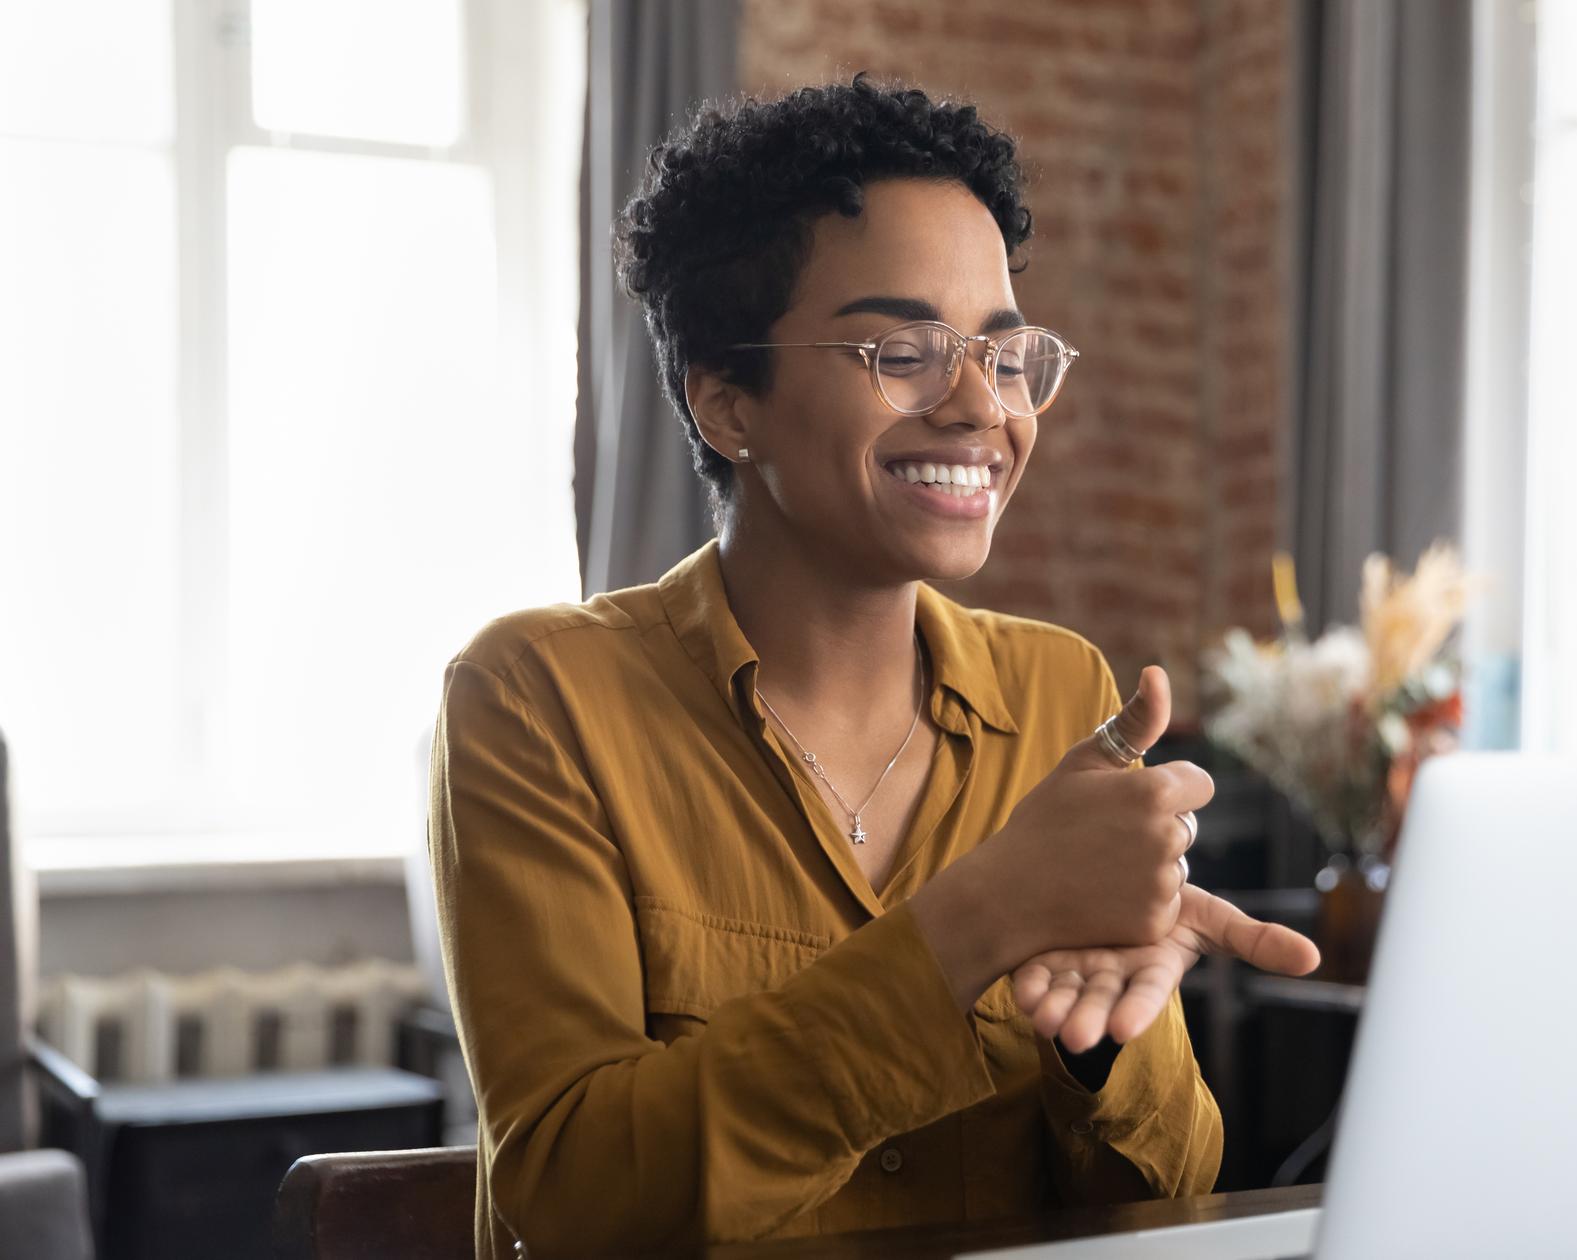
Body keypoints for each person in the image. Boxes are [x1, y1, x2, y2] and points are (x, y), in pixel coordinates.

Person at [427, 78, 1320, 1258]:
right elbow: (575, 1197)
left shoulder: (1063, 699)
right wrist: (969, 926)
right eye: (903, 350)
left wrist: (1102, 1044)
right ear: (726, 400)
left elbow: (1165, 1199)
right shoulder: (538, 699)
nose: (977, 409)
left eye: (1006, 359)